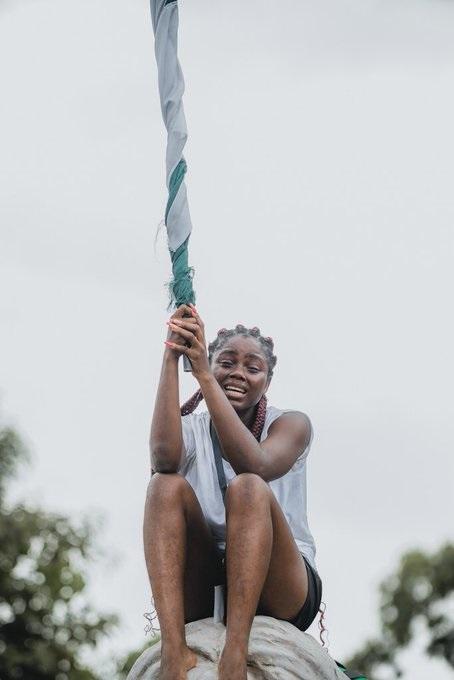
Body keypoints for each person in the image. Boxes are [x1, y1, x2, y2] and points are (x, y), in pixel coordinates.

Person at [144, 302, 322, 680]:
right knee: (164, 486)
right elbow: (162, 458)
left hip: (282, 584)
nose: (238, 373)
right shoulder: (191, 427)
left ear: (267, 382)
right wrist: (172, 358)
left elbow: (253, 465)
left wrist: (207, 377)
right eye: (226, 363)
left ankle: (235, 654)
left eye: (252, 367)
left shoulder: (290, 425)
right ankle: (173, 650)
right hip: (209, 579)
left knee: (248, 488)